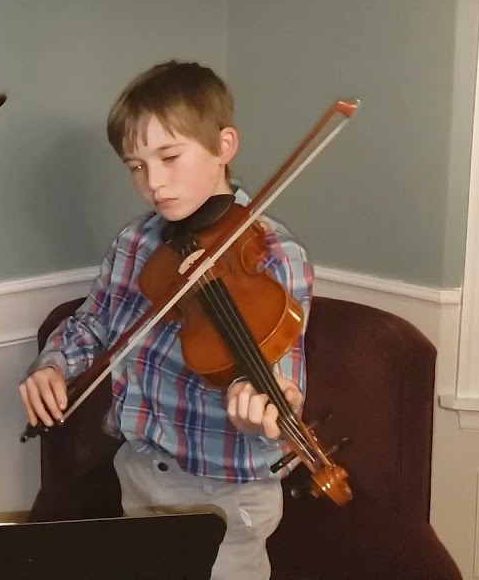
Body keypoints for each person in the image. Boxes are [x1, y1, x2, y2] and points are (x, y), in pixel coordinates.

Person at [18, 60, 313, 580]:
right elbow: (93, 324)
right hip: (139, 474)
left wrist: (262, 410)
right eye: (136, 165)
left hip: (225, 498)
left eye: (170, 156)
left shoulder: (271, 255)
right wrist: (52, 365)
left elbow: (282, 386)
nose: (153, 182)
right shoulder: (137, 242)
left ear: (224, 146)